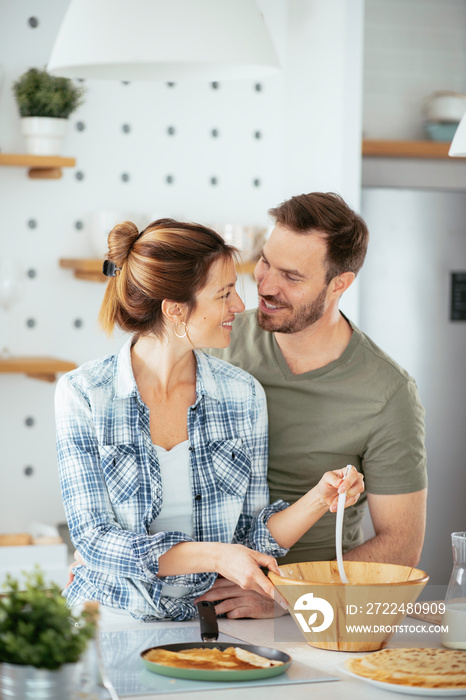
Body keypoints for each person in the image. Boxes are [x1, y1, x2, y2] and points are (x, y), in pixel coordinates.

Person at [55, 217, 364, 621]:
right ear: (176, 310)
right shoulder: (84, 394)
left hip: (210, 623)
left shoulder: (242, 394)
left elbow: (253, 537)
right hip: (109, 617)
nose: (239, 306)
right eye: (224, 294)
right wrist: (218, 557)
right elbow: (95, 540)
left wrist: (319, 500)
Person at [200, 192, 427, 619]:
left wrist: (289, 596)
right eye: (265, 261)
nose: (265, 285)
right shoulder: (217, 342)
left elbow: (401, 544)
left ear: (339, 283)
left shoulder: (387, 391)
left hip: (311, 617)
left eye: (292, 276)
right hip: (197, 596)